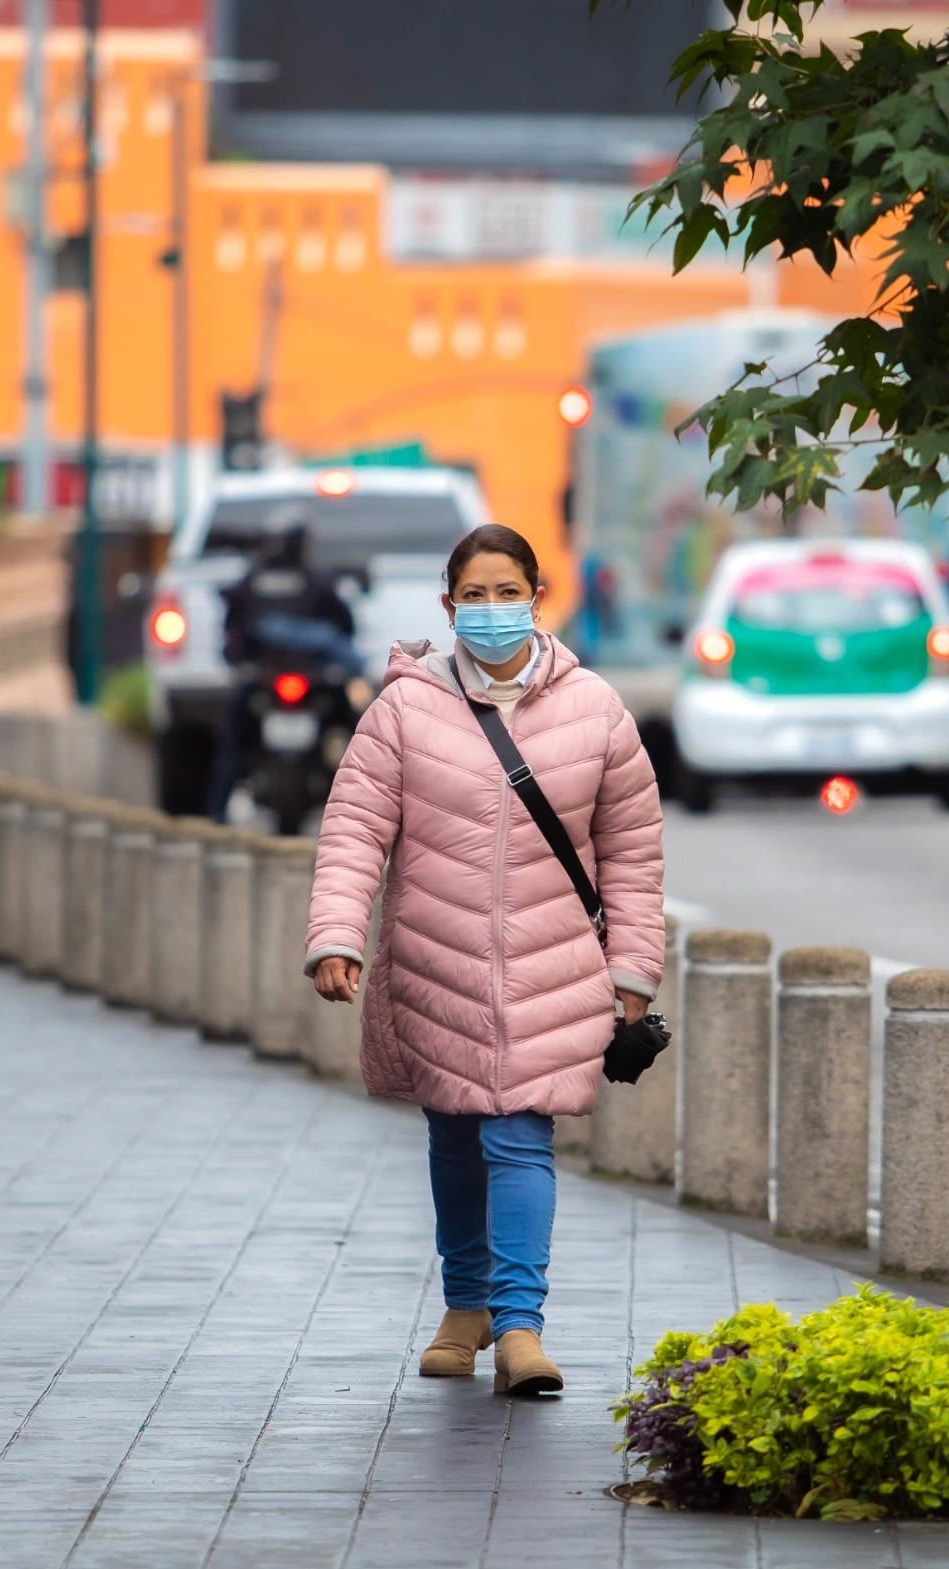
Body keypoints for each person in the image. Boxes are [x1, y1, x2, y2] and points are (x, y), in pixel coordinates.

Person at [303, 523, 665, 1398]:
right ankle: (462, 1306)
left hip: (553, 969)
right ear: (447, 604)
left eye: (509, 592)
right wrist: (336, 937)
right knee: (457, 1136)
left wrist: (632, 972)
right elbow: (354, 830)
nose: (492, 610)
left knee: (517, 1133)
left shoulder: (597, 711)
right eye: (476, 594)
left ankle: (518, 1328)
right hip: (437, 962)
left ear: (537, 597)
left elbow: (632, 851)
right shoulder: (402, 710)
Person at [207, 506, 358, 821]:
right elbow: (346, 624)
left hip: (264, 682)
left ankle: (217, 817)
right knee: (361, 739)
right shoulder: (318, 581)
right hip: (304, 683)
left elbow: (231, 632)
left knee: (232, 750)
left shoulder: (251, 581)